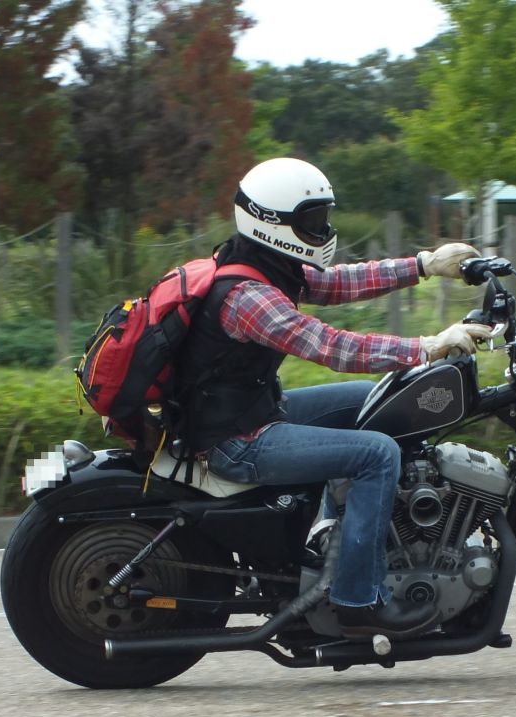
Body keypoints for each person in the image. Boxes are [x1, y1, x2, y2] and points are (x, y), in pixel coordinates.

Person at [176, 157, 491, 639]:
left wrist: (425, 265)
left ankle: (336, 533)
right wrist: (425, 348)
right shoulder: (248, 296)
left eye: (323, 217)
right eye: (313, 220)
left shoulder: (265, 265)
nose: (323, 230)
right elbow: (330, 346)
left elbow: (342, 281)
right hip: (236, 441)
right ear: (272, 222)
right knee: (377, 454)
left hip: (252, 412)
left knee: (373, 401)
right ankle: (357, 598)